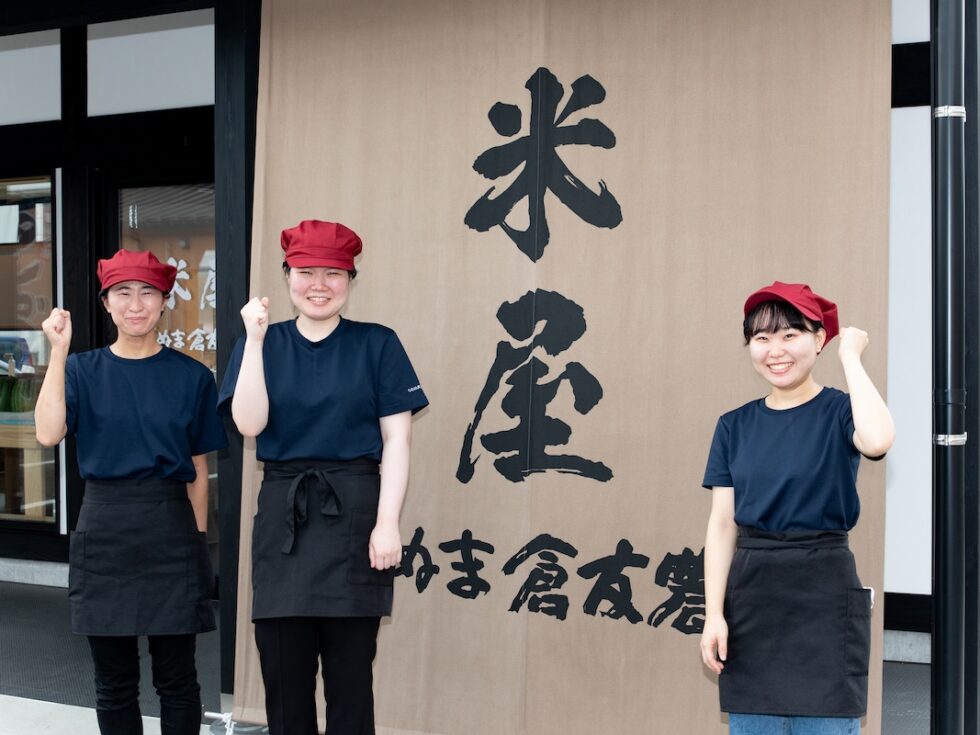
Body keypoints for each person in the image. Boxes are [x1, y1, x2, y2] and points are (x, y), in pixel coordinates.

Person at [219, 219, 428, 735]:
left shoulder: (378, 344)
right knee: (285, 682)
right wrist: (252, 340)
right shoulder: (263, 343)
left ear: (351, 279)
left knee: (351, 681)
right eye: (306, 271)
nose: (319, 284)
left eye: (333, 273)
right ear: (287, 275)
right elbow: (248, 424)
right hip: (283, 521)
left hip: (355, 518)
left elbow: (397, 441)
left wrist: (387, 524)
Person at [34, 249, 228, 735]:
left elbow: (198, 471)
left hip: (172, 530)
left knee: (178, 679)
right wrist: (58, 352)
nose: (136, 304)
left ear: (165, 302)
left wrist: (198, 545)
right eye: (123, 292)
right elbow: (47, 433)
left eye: (148, 293)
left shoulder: (192, 377)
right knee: (113, 681)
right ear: (106, 303)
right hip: (104, 527)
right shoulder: (80, 370)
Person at [699, 281, 895, 735]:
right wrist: (713, 614)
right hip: (752, 602)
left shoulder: (841, 411)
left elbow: (879, 440)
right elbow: (722, 524)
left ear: (819, 339)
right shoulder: (734, 425)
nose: (775, 350)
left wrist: (851, 358)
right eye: (761, 338)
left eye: (790, 334)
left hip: (825, 594)